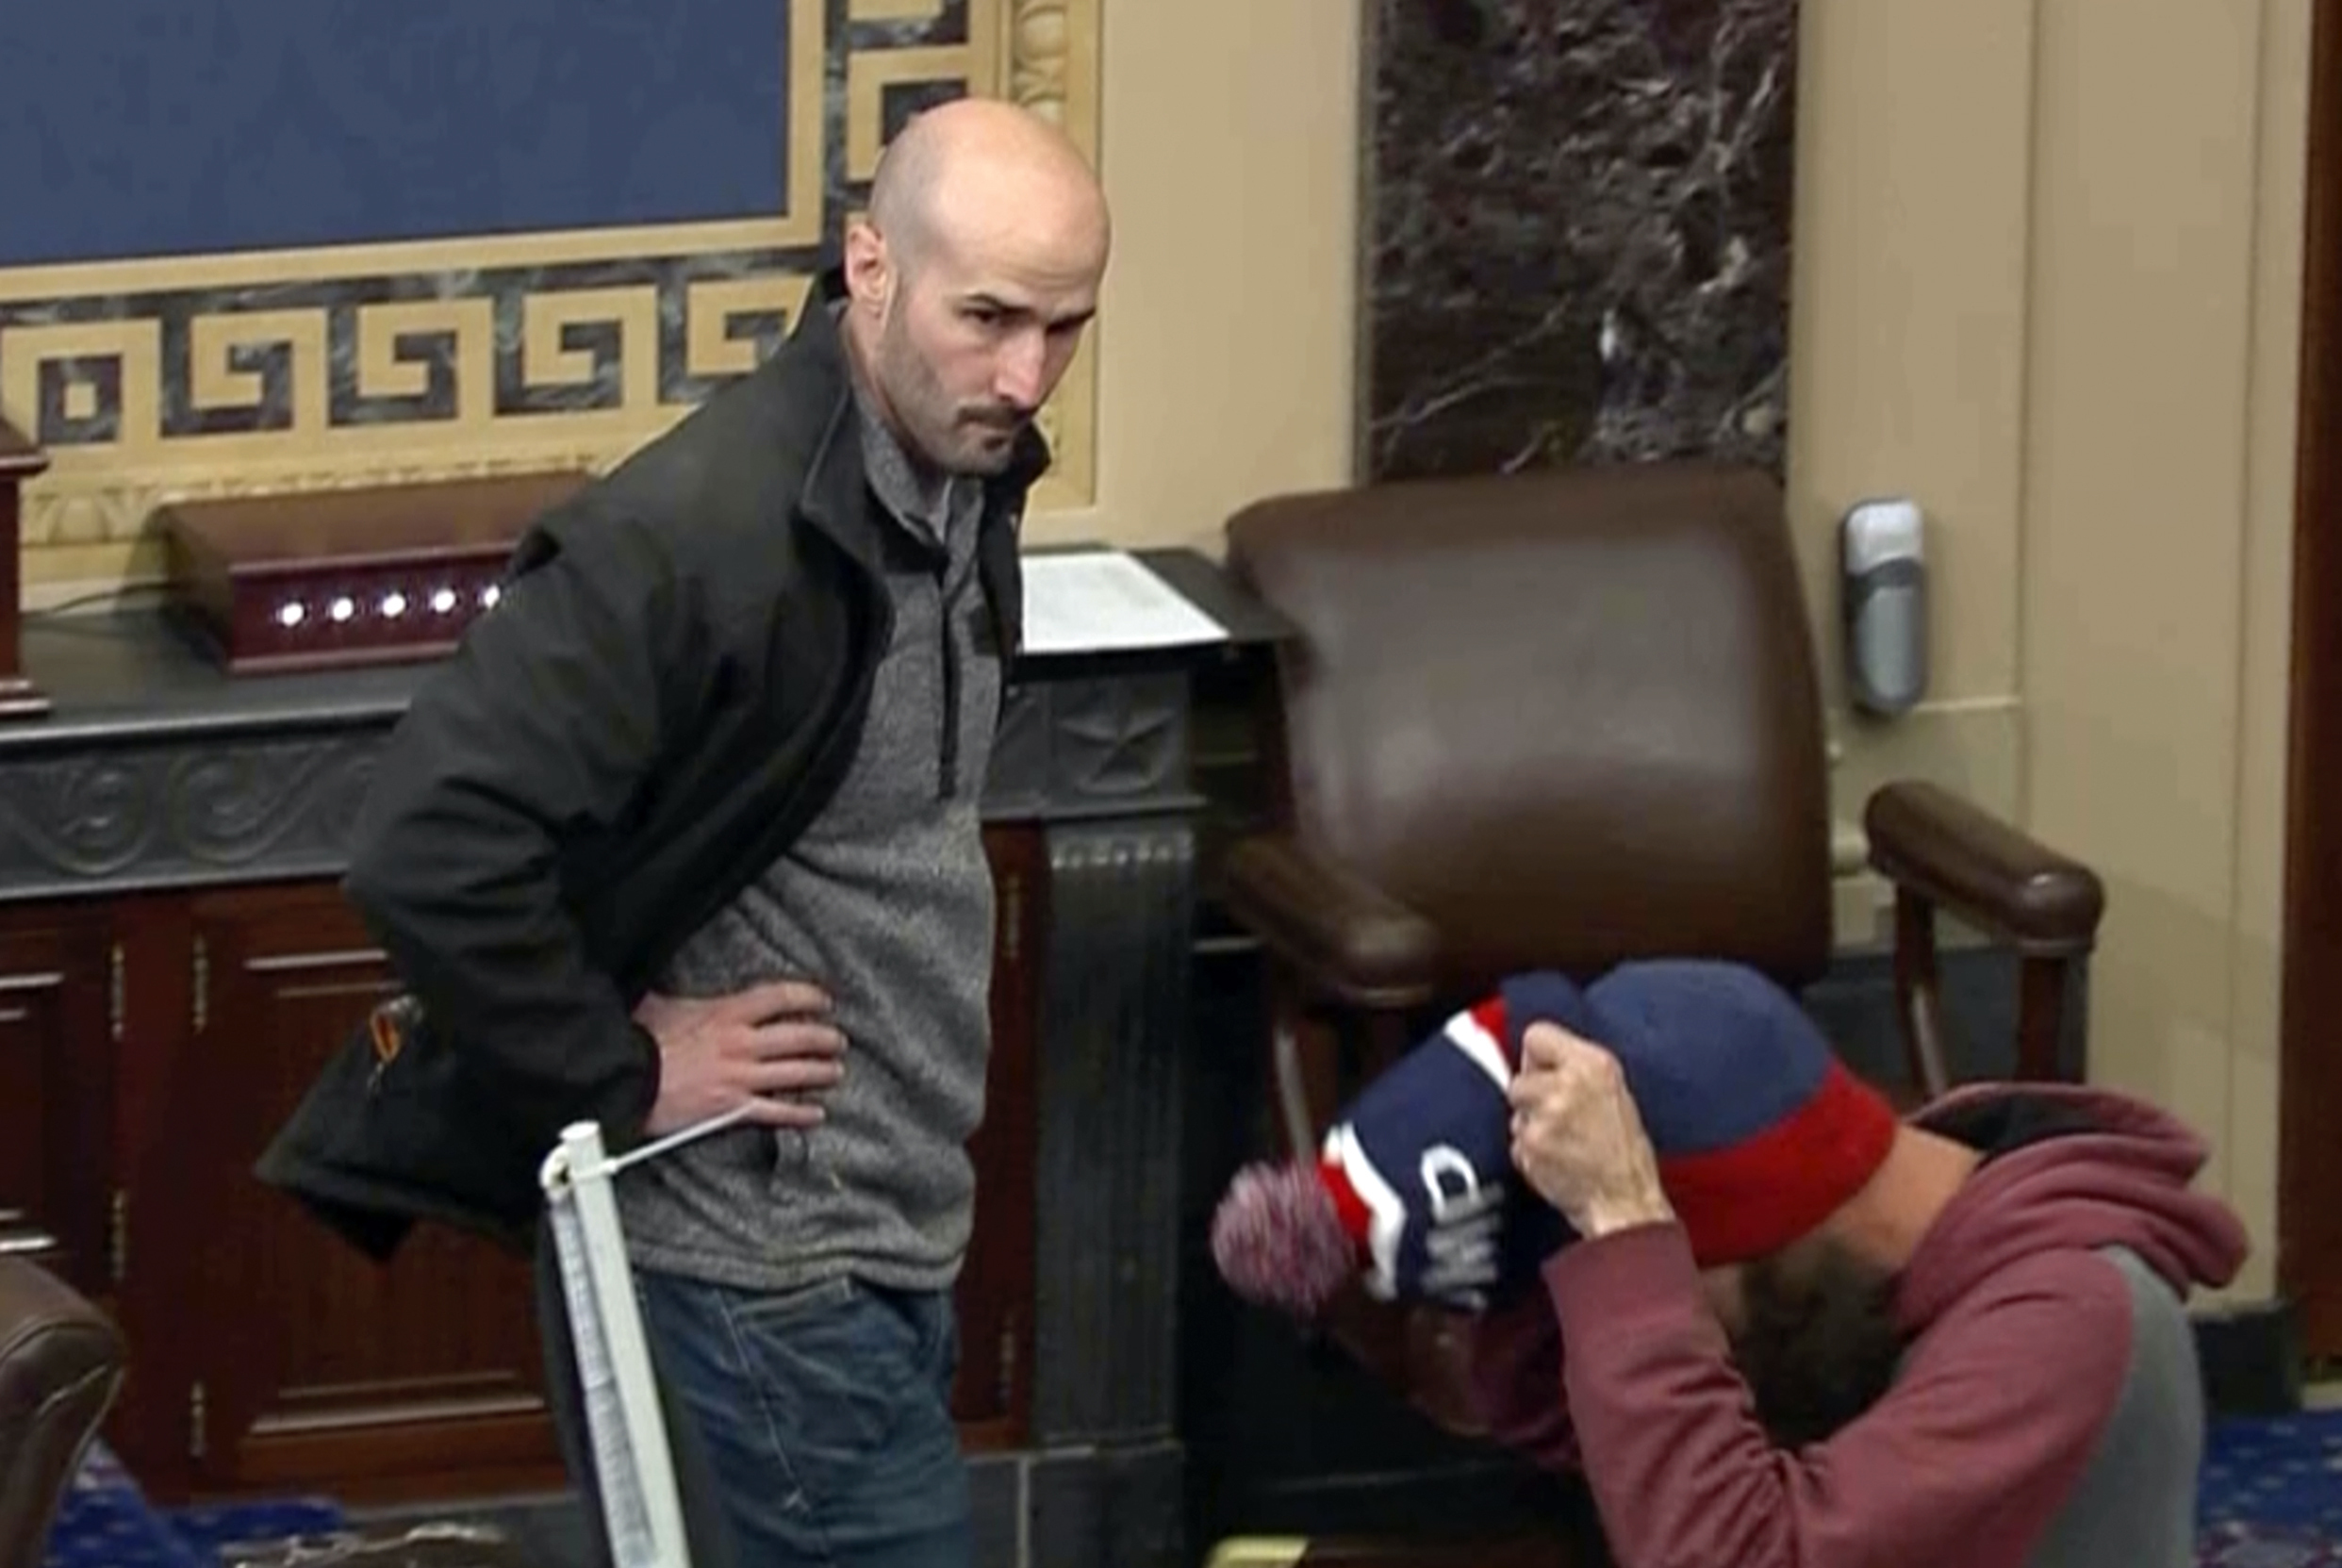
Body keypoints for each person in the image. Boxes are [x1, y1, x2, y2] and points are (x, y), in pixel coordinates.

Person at [256, 98, 1112, 1568]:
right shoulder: (695, 533)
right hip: (748, 1263)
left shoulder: (963, 473)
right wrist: (621, 1062)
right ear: (869, 265)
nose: (1025, 375)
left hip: (891, 1225)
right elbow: (424, 843)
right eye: (987, 318)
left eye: (1064, 327)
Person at [1453, 958, 2250, 1568]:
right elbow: (1577, 1428)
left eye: (1681, 1296)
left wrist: (1628, 1240)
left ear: (1755, 1232)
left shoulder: (2070, 1319)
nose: (1689, 1336)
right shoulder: (1865, 1272)